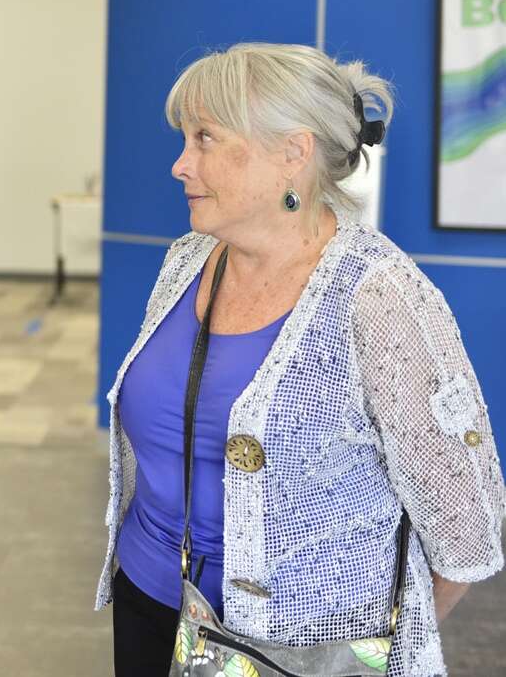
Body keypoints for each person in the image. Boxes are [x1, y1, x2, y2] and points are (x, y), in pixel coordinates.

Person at [96, 43, 506, 676]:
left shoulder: (380, 297)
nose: (180, 165)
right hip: (150, 601)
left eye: (205, 138)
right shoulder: (188, 260)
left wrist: (358, 655)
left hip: (295, 651)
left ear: (294, 151)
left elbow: (465, 534)